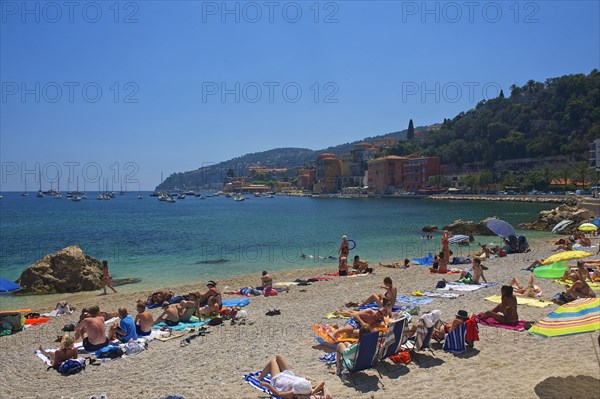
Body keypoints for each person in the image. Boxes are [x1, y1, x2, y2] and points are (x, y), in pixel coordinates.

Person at [256, 354, 331, 399]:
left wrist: (267, 385)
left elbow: (278, 394)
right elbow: (322, 384)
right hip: (290, 377)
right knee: (279, 356)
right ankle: (262, 375)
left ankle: (260, 377)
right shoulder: (307, 390)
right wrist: (312, 392)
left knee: (273, 361)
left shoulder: (291, 394)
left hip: (279, 380)